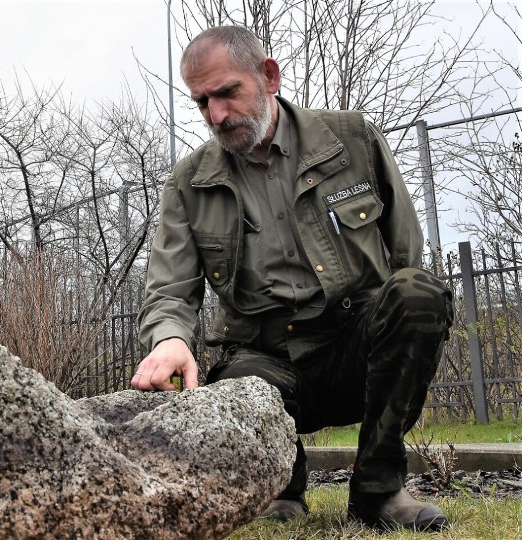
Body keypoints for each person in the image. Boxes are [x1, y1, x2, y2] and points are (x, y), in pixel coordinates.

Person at [132, 25, 453, 532]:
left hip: (354, 347)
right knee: (237, 380)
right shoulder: (190, 182)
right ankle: (282, 489)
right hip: (266, 360)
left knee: (418, 294)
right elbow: (170, 287)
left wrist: (398, 334)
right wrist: (170, 338)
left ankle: (379, 489)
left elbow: (405, 254)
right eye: (201, 102)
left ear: (269, 76)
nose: (216, 115)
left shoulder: (351, 140)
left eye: (227, 93)